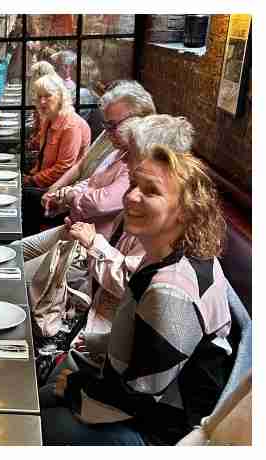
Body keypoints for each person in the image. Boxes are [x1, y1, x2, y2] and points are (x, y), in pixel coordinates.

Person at [40, 145, 232, 445]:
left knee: (31, 426)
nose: (130, 196)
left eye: (151, 191)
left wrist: (77, 385)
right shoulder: (171, 252)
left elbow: (141, 396)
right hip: (135, 403)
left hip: (156, 432)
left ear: (186, 210)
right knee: (37, 399)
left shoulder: (171, 291)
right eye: (133, 185)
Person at [64, 114, 196, 340]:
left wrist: (92, 242)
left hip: (109, 330)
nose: (123, 160)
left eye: (130, 154)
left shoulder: (164, 220)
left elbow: (130, 284)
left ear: (157, 156)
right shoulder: (143, 199)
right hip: (98, 308)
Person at [20, 80, 156, 254]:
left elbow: (101, 203)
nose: (108, 132)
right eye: (106, 126)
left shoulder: (140, 161)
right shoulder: (119, 150)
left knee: (25, 273)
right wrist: (66, 192)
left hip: (90, 247)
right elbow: (90, 179)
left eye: (113, 126)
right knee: (17, 250)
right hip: (74, 226)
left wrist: (67, 196)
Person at [21, 73, 91, 236]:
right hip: (43, 179)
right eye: (39, 97)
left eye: (47, 96)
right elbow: (40, 148)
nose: (42, 101)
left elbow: (63, 168)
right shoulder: (50, 118)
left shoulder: (70, 126)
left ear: (60, 96)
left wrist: (32, 180)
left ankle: (25, 243)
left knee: (22, 196)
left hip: (62, 189)